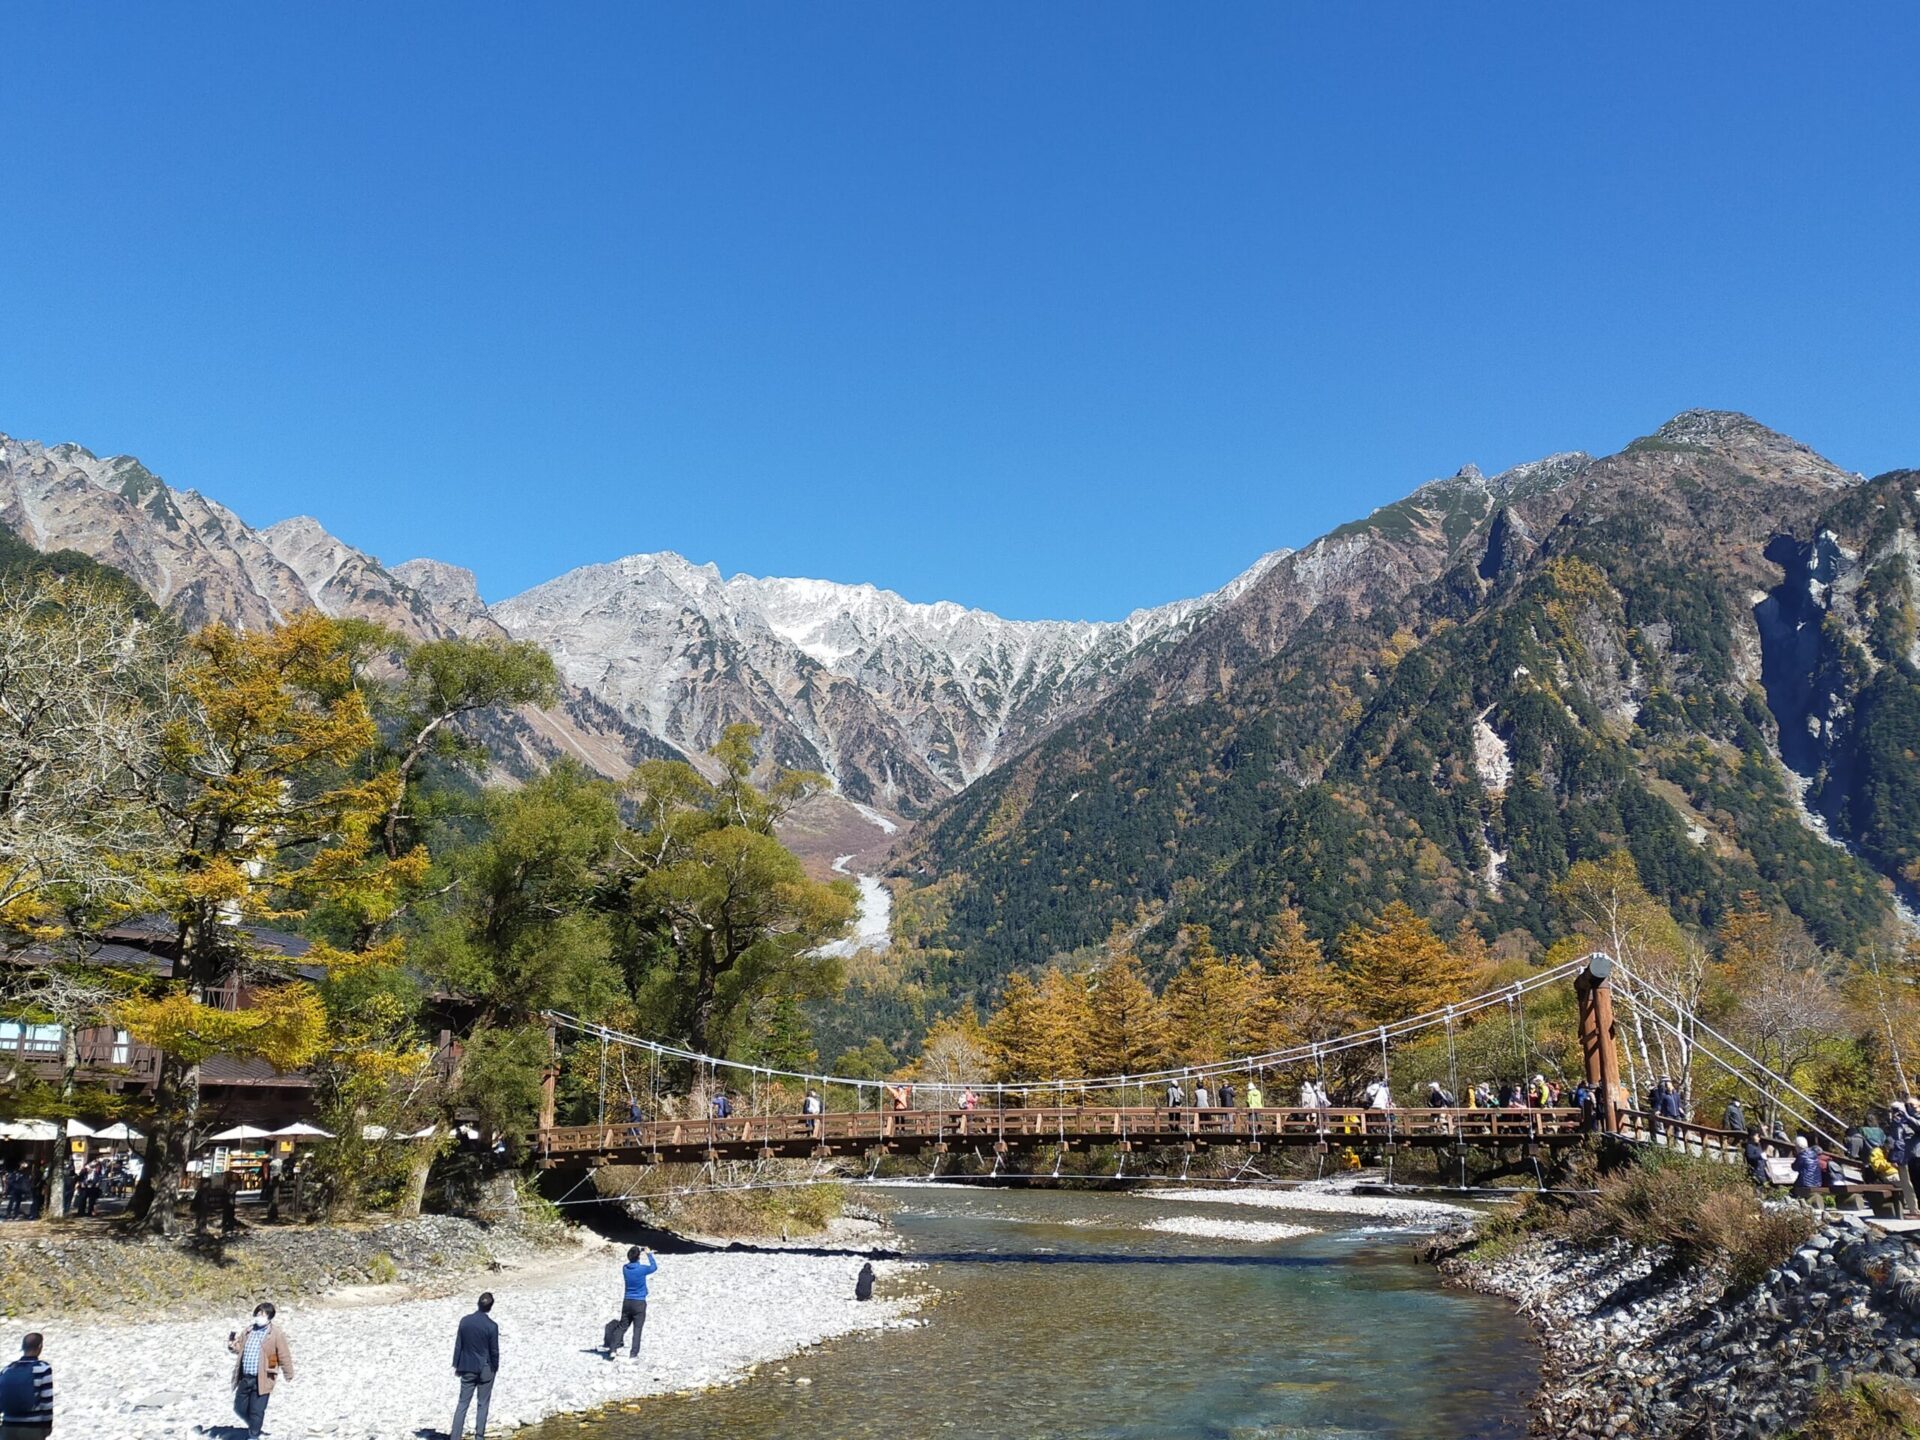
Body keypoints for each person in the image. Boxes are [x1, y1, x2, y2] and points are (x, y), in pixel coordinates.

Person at [227, 1301, 293, 1440]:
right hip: (245, 1376)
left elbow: (283, 1354)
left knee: (257, 1410)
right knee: (239, 1408)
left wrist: (288, 1373)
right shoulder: (248, 1330)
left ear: (269, 1317)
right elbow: (241, 1348)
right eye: (257, 1314)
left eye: (263, 1314)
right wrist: (233, 1346)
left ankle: (254, 1434)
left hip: (263, 1377)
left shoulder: (275, 1333)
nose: (259, 1317)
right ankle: (254, 1425)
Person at [450, 1292, 500, 1440]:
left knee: (462, 1403)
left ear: (478, 1303)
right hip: (485, 1369)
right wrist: (495, 1367)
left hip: (466, 1367)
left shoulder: (465, 1321)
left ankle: (455, 1437)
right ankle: (479, 1437)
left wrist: (456, 1365)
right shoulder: (492, 1326)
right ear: (490, 1307)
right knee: (482, 1403)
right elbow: (494, 1351)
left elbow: (459, 1345)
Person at [608, 1245, 657, 1360]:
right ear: (638, 1257)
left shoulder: (625, 1268)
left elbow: (634, 1260)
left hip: (627, 1301)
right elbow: (654, 1267)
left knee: (622, 1326)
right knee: (637, 1329)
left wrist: (638, 1252)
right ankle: (633, 1354)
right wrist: (649, 1253)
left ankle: (613, 1349)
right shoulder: (642, 1269)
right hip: (639, 1302)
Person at [0, 1332, 52, 1438]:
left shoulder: (8, 1369)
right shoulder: (43, 1368)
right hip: (32, 1427)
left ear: (23, 1347)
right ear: (40, 1346)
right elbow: (46, 1401)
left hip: (8, 1425)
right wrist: (47, 1425)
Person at [1789, 1135, 1826, 1204]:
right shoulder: (1814, 1154)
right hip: (1817, 1183)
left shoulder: (1802, 1155)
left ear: (1797, 1146)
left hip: (1805, 1184)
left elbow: (1794, 1167)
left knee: (1792, 1191)